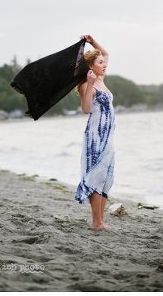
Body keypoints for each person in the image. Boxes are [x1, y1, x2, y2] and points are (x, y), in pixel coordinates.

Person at [73, 34, 115, 231]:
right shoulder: (86, 84)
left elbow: (105, 53)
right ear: (92, 67)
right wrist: (89, 84)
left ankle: (100, 221)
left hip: (107, 135)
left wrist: (92, 41)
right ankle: (96, 222)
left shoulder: (101, 78)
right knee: (95, 176)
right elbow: (86, 109)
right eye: (100, 63)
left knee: (106, 175)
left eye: (103, 63)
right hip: (95, 135)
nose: (104, 64)